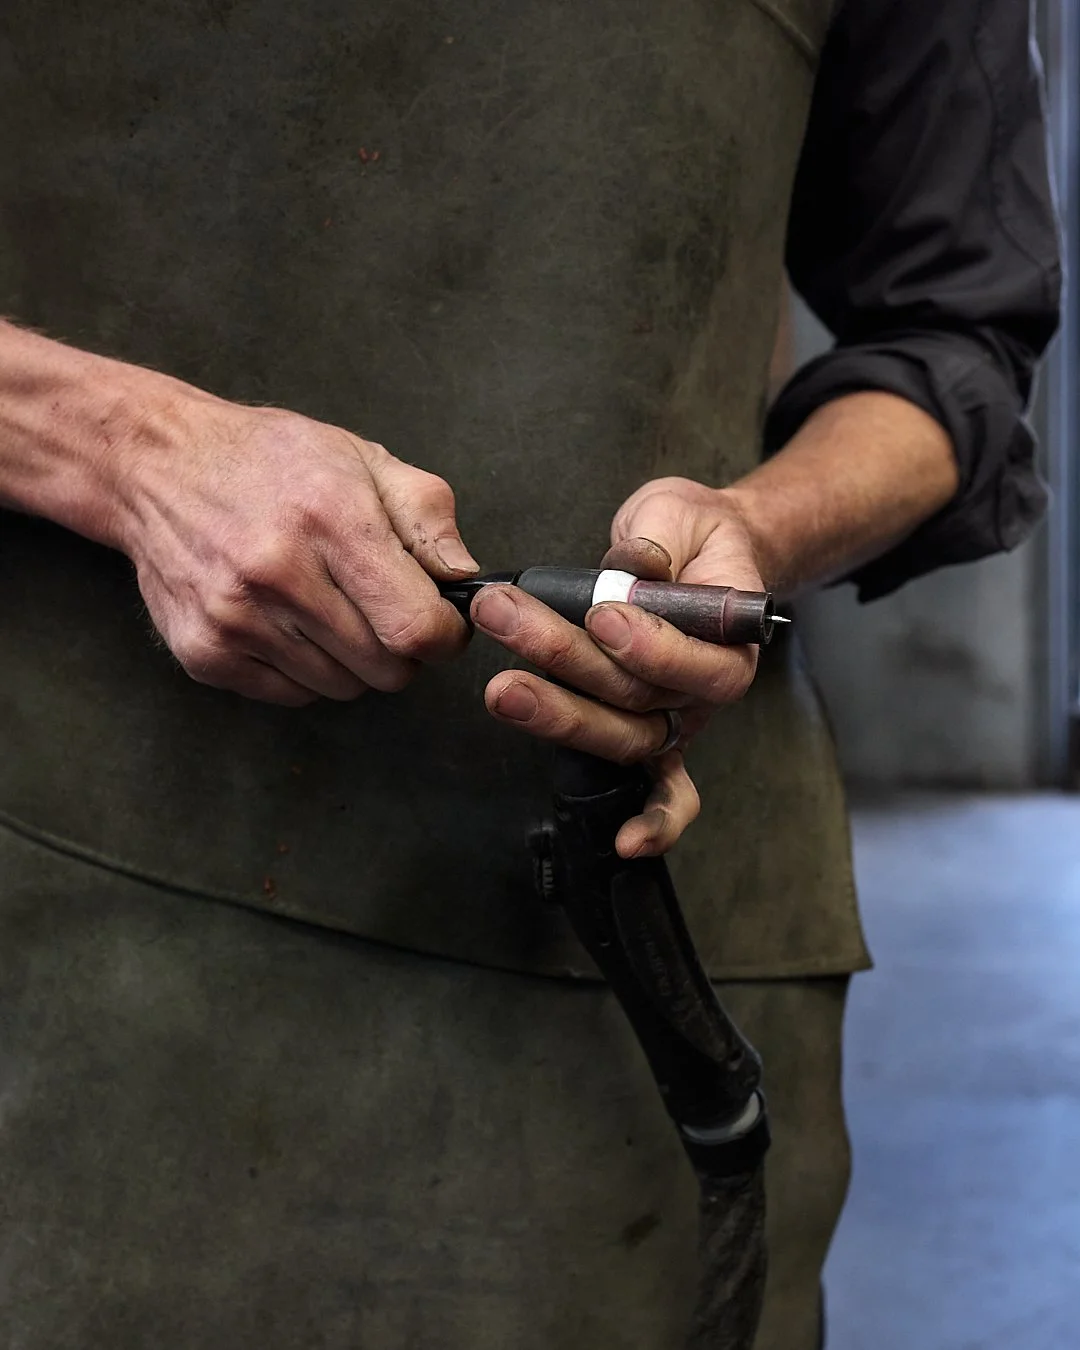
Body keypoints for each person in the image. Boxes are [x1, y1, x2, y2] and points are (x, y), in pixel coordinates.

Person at [0, 0, 1059, 1346]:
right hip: (53, 912)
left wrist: (758, 530)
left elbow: (960, 340)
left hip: (637, 981)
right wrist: (116, 447)